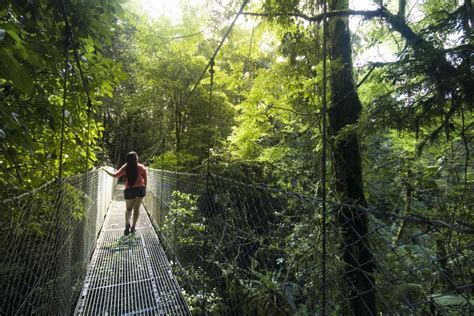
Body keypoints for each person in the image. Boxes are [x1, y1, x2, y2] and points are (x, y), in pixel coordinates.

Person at [102, 151, 147, 236]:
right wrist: (145, 188)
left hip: (129, 190)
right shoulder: (141, 167)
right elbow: (145, 179)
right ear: (136, 158)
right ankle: (133, 227)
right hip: (140, 189)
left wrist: (105, 169)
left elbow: (115, 175)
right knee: (136, 209)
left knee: (128, 209)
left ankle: (127, 224)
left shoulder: (126, 167)